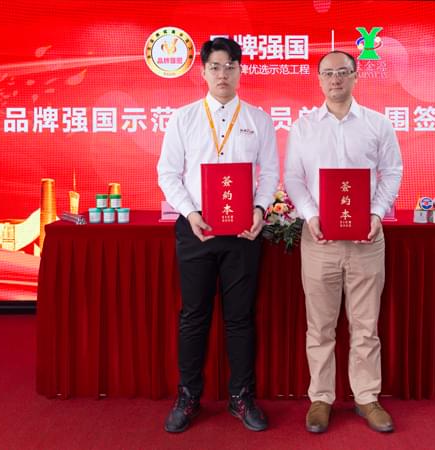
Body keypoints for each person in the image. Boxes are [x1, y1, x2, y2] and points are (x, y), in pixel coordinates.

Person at [157, 37, 279, 433]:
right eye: (215, 66)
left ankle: (241, 396)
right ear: (203, 71)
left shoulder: (258, 119)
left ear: (241, 70)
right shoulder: (184, 118)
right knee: (194, 315)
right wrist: (190, 212)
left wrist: (260, 209)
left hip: (243, 233)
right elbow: (167, 174)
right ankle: (188, 395)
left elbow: (270, 174)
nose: (222, 74)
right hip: (197, 231)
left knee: (240, 318)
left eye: (230, 66)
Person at [284, 50, 403, 434]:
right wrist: (310, 214)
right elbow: (294, 178)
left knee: (366, 325)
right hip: (319, 239)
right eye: (328, 73)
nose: (335, 79)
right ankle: (321, 397)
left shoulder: (377, 124)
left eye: (342, 72)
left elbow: (392, 172)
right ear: (319, 79)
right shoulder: (303, 127)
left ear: (355, 76)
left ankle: (367, 397)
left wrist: (376, 213)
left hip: (366, 238)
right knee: (320, 326)